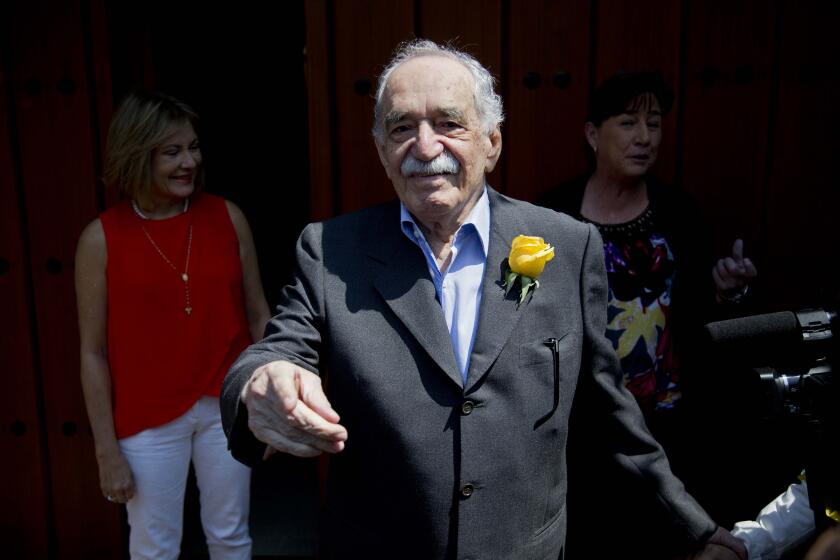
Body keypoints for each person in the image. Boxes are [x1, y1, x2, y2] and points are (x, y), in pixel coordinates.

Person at [221, 40, 745, 559]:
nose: (425, 147)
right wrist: (258, 383)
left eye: (449, 124)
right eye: (402, 128)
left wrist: (692, 526)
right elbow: (280, 350)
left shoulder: (564, 243)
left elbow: (607, 408)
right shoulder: (331, 250)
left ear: (492, 142)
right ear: (381, 151)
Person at [75, 91, 270, 559]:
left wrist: (273, 400)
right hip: (146, 420)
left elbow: (261, 316)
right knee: (155, 548)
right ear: (138, 155)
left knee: (231, 537)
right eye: (172, 152)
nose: (189, 162)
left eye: (193, 148)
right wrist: (107, 452)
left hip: (225, 405)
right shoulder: (100, 238)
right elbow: (92, 352)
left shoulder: (227, 217)